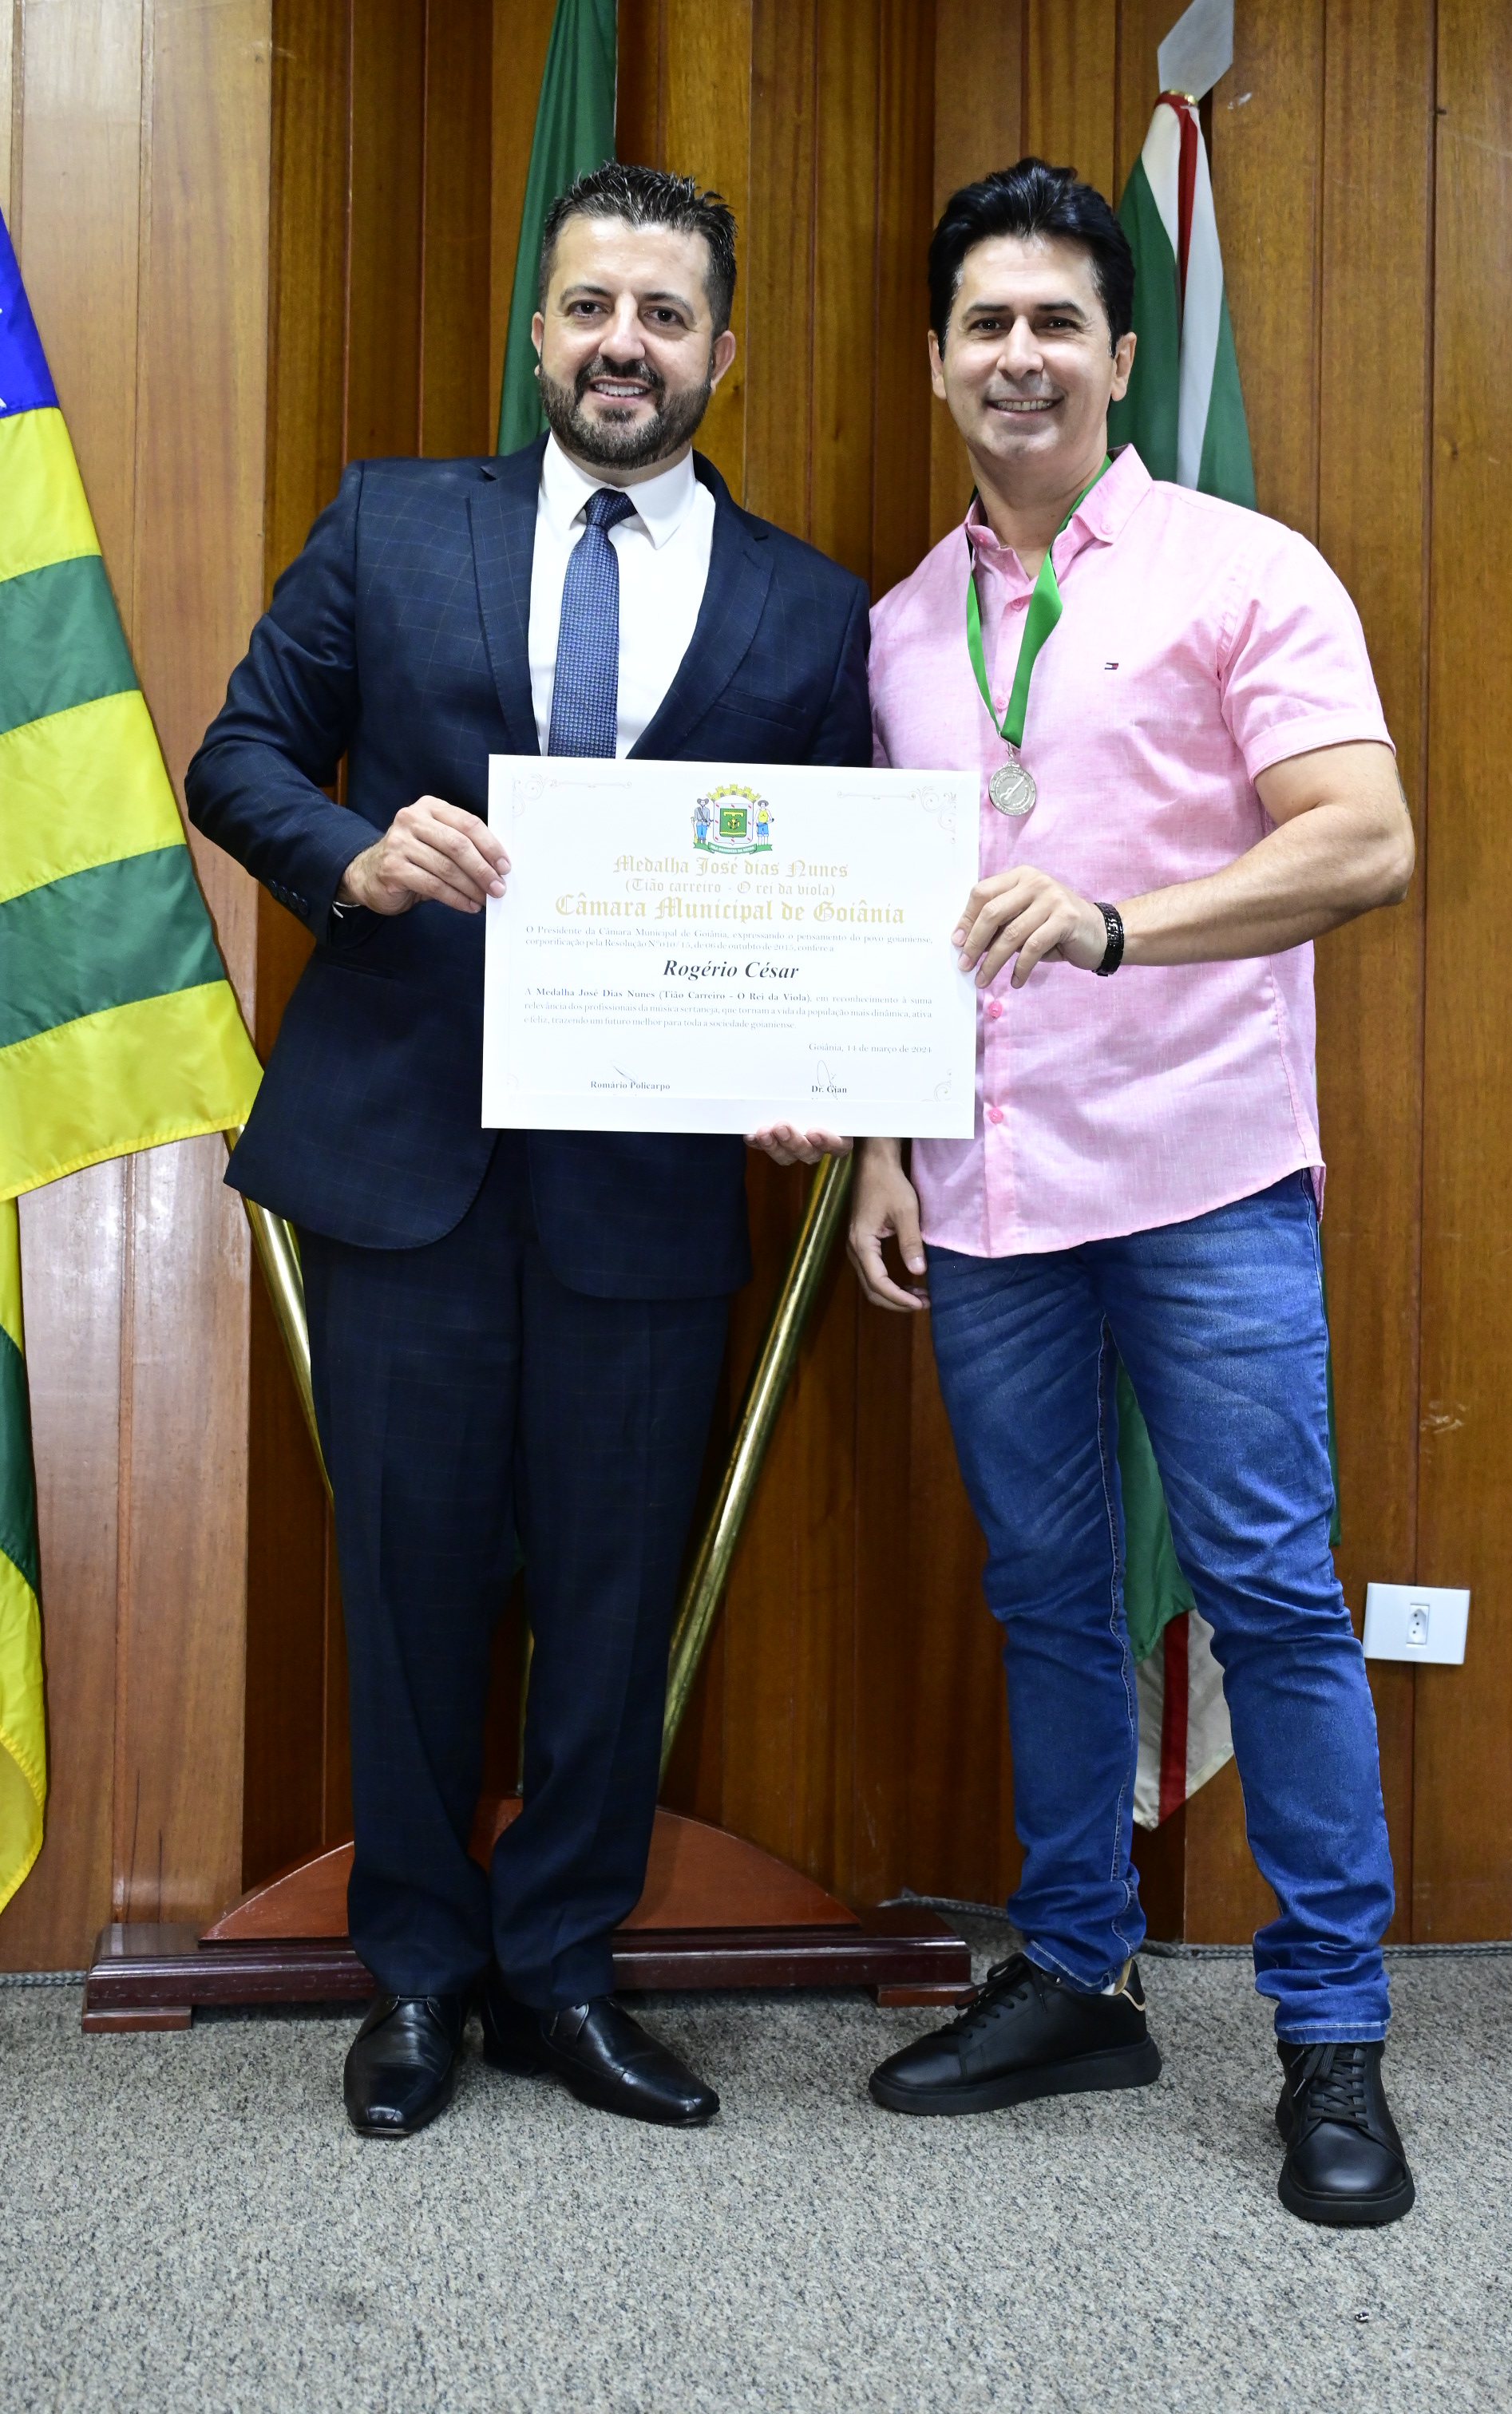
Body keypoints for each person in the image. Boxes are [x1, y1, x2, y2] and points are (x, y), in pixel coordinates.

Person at [186, 164, 870, 2141]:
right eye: (589, 307)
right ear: (539, 327)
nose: (621, 346)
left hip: (645, 1193)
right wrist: (357, 855)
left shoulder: (808, 605)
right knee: (405, 1591)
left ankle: (561, 1967)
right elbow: (238, 756)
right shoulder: (395, 523)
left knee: (611, 1593)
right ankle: (415, 1972)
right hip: (403, 1162)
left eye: (663, 314)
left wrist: (813, 1065)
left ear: (722, 350)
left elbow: (830, 891)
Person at [837, 156, 1415, 2227]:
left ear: (1120, 353)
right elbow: (891, 918)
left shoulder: (1243, 568)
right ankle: (1078, 1975)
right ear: (937, 360)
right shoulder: (900, 629)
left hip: (1204, 1177)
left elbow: (1363, 842)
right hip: (988, 1199)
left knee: (1269, 1594)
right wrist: (884, 1138)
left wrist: (1115, 926)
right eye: (985, 324)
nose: (1022, 356)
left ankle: (1331, 2036)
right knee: (1048, 1601)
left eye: (1057, 323)